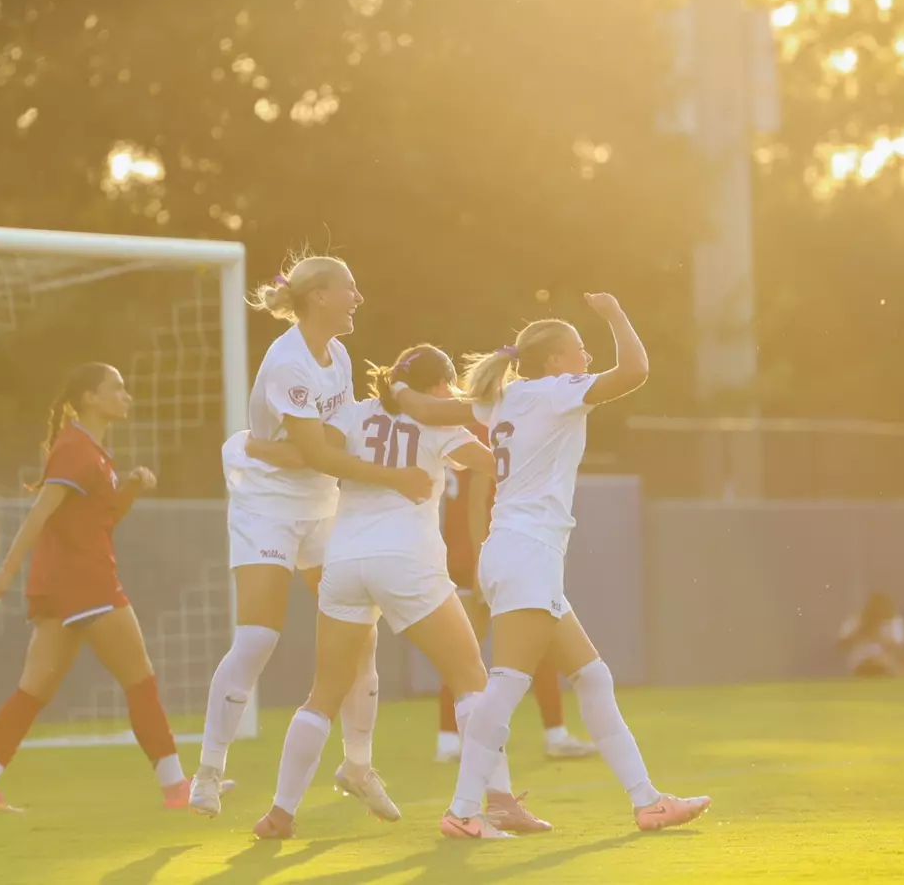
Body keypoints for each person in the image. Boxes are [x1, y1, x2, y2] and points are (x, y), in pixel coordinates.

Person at [395, 293, 711, 837]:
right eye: (580, 350)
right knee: (507, 684)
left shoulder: (504, 397)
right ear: (556, 361)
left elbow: (423, 409)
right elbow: (635, 370)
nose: (586, 357)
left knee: (593, 676)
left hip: (513, 551)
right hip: (527, 552)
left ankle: (647, 801)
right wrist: (614, 313)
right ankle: (465, 810)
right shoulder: (556, 392)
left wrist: (395, 383)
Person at [243, 345, 551, 839]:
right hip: (408, 563)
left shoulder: (352, 413)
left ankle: (279, 814)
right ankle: (501, 801)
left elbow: (310, 455)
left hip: (344, 561)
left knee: (323, 693)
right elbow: (499, 467)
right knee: (471, 677)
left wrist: (255, 449)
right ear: (436, 388)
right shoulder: (439, 424)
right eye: (448, 386)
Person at [189, 253, 434, 818]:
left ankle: (356, 766)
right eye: (350, 286)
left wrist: (270, 446)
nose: (358, 296)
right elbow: (325, 451)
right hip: (267, 506)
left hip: (321, 500)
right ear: (319, 296)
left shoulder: (339, 354)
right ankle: (208, 772)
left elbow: (332, 443)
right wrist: (396, 476)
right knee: (257, 639)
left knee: (361, 637)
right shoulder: (287, 363)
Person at [0, 363, 193, 812]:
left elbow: (97, 520)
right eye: (116, 388)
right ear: (88, 399)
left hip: (63, 587)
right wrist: (5, 573)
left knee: (33, 692)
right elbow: (40, 514)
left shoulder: (93, 452)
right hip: (88, 582)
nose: (126, 395)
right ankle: (177, 788)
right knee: (140, 680)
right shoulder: (75, 449)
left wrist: (133, 487)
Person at [436, 423, 598, 763]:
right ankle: (454, 739)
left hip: (471, 550)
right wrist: (480, 558)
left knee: (510, 648)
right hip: (487, 552)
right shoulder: (496, 428)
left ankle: (453, 739)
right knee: (474, 653)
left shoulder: (477, 425)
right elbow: (478, 498)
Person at [836, 594, 904, 678]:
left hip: (887, 659)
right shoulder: (856, 619)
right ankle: (902, 674)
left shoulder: (894, 620)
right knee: (882, 663)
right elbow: (843, 645)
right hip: (863, 661)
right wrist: (862, 631)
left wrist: (878, 635)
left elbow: (897, 648)